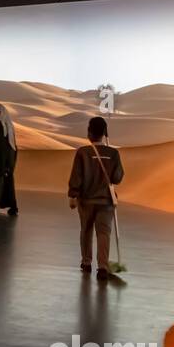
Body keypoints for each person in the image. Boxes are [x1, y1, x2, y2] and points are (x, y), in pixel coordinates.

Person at [68, 116, 125, 281]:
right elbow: (117, 178)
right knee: (103, 233)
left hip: (85, 201)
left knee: (86, 231)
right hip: (106, 202)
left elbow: (76, 176)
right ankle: (102, 267)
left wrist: (72, 195)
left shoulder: (83, 153)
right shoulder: (113, 153)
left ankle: (86, 263)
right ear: (104, 133)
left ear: (89, 132)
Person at [0, 102, 20, 216]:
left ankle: (12, 207)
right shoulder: (0, 125)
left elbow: (10, 146)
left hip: (6, 160)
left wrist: (8, 165)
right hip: (1, 159)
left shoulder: (6, 126)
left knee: (6, 183)